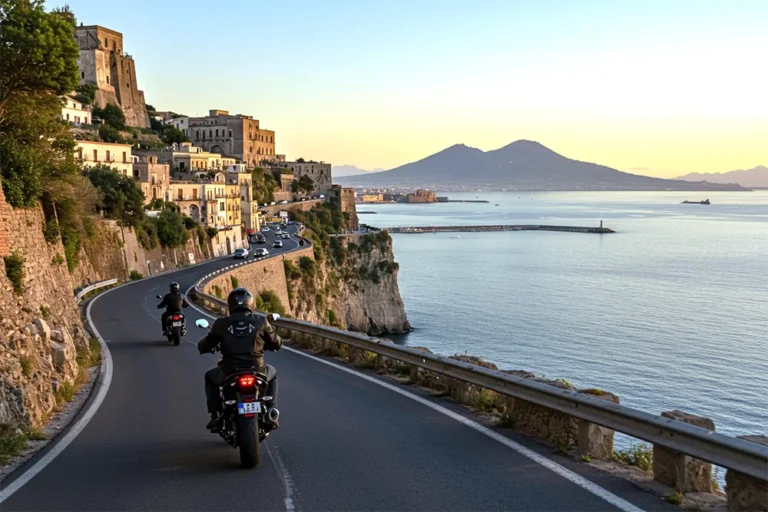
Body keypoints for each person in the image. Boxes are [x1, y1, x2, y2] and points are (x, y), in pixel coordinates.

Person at [198, 287, 282, 431]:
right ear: (251, 304)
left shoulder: (221, 324)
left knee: (209, 377)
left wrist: (205, 347)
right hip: (257, 370)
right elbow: (277, 342)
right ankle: (271, 410)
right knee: (273, 373)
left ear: (230, 305)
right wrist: (268, 343)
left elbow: (205, 345)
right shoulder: (261, 321)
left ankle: (216, 414)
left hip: (230, 371)